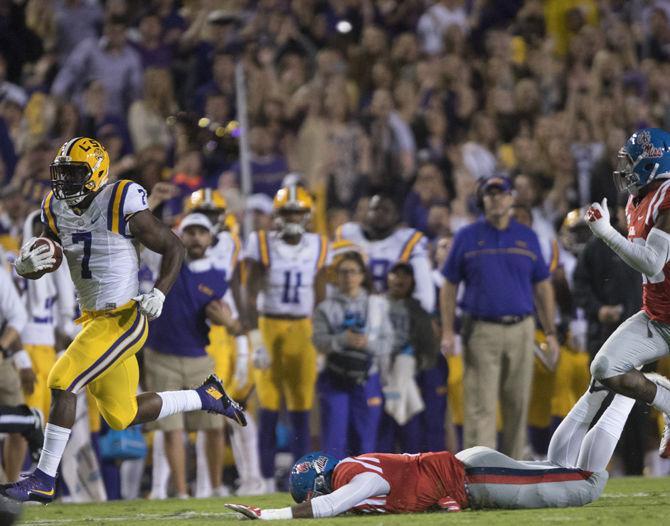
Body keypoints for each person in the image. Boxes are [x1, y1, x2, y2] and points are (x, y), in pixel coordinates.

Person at [1, 137, 246, 503]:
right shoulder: (54, 206)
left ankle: (44, 477)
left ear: (96, 173)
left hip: (123, 316)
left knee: (62, 379)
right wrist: (25, 266)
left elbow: (173, 246)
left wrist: (159, 292)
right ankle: (204, 396)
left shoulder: (118, 199)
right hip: (92, 319)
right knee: (122, 413)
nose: (65, 180)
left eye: (74, 172)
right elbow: (47, 252)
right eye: (62, 172)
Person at [224, 365, 645, 519]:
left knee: (587, 483)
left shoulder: (354, 478)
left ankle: (627, 391)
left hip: (473, 478)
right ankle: (596, 391)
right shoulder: (351, 471)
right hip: (469, 472)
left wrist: (271, 515)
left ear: (318, 484)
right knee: (561, 468)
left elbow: (332, 505)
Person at [559, 127, 670, 463]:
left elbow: (652, 264)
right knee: (606, 369)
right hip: (658, 315)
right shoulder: (637, 199)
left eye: (632, 162)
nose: (626, 169)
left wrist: (606, 232)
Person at [440, 175, 560, 459]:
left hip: (522, 328)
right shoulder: (466, 236)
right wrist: (447, 329)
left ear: (511, 197)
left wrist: (551, 332)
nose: (496, 198)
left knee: (517, 404)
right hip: (481, 329)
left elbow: (543, 287)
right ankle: (479, 473)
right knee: (481, 406)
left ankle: (513, 472)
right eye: (490, 193)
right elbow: (449, 285)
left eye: (501, 193)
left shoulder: (527, 236)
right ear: (482, 199)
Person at [143, 212, 241, 499]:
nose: (196, 237)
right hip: (161, 355)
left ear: (211, 237)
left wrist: (229, 322)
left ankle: (214, 486)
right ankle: (183, 491)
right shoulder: (167, 261)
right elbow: (148, 240)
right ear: (180, 234)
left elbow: (232, 321)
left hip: (200, 357)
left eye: (201, 232)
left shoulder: (217, 274)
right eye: (190, 231)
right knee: (172, 428)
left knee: (213, 425)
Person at [243, 185, 328, 492]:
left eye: (298, 211)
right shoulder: (261, 242)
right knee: (267, 402)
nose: (293, 217)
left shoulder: (319, 244)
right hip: (269, 323)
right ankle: (264, 479)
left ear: (307, 215)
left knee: (302, 404)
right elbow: (249, 292)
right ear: (277, 215)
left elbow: (320, 296)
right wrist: (255, 337)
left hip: (303, 328)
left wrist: (320, 339)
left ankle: (303, 480)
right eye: (287, 211)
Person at [312, 251, 392, 459]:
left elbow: (388, 342)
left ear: (362, 275)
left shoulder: (377, 305)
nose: (348, 277)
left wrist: (368, 343)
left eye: (353, 272)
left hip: (366, 377)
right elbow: (318, 341)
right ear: (337, 276)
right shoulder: (326, 308)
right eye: (343, 272)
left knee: (365, 439)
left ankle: (365, 485)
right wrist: (342, 340)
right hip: (335, 376)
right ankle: (334, 485)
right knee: (334, 437)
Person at [336, 193, 435, 313]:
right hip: (353, 310)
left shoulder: (409, 242)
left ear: (396, 216)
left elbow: (424, 290)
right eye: (375, 209)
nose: (379, 214)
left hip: (393, 312)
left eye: (386, 210)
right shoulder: (348, 235)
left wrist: (421, 314)